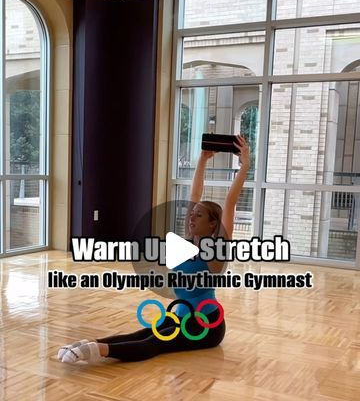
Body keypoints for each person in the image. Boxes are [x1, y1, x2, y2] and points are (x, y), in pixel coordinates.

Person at [58, 135, 250, 364]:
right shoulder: (189, 243)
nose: (191, 217)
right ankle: (88, 344)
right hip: (180, 313)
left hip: (205, 324)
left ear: (212, 225)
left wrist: (246, 165)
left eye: (198, 215)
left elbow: (230, 202)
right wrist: (202, 159)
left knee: (155, 344)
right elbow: (194, 195)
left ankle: (96, 351)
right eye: (192, 213)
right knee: (144, 333)